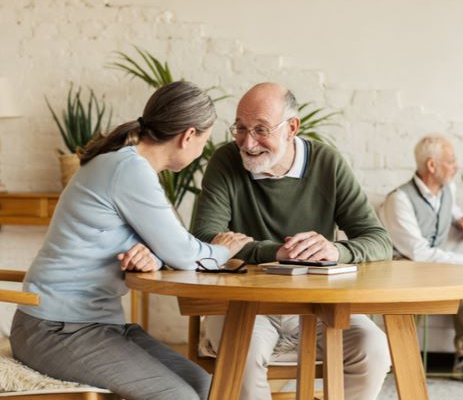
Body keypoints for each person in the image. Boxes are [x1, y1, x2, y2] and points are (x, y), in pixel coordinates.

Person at [10, 81, 252, 400]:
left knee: (207, 388)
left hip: (96, 325)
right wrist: (226, 248)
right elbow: (187, 255)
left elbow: (160, 244)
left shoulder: (126, 164)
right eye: (204, 141)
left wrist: (152, 256)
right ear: (188, 136)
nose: (201, 151)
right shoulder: (128, 169)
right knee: (178, 397)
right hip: (54, 327)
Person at [191, 82, 393, 400]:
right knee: (240, 352)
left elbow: (378, 240)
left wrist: (335, 251)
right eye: (240, 128)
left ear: (291, 128)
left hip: (320, 304)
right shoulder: (226, 161)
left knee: (375, 349)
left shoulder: (327, 162)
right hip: (245, 305)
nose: (247, 142)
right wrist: (278, 253)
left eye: (261, 129)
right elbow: (204, 240)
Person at [377, 134, 463, 381]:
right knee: (427, 279)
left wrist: (460, 219)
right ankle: (399, 356)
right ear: (432, 166)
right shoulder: (398, 200)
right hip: (404, 265)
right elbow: (418, 253)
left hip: (431, 266)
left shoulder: (447, 188)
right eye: (451, 161)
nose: (457, 166)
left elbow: (449, 206)